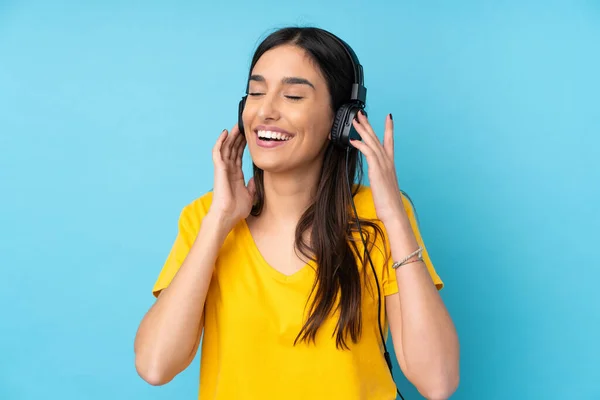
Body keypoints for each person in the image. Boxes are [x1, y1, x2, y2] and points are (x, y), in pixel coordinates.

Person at [134, 26, 459, 400]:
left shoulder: (379, 217)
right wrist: (219, 221)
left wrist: (394, 218)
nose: (266, 111)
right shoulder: (206, 218)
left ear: (340, 122)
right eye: (256, 93)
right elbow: (155, 366)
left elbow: (437, 381)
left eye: (292, 96)